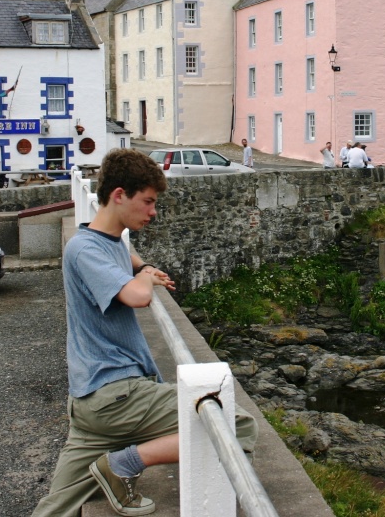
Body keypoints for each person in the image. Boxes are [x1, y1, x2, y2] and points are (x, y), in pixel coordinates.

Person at [31, 149, 257, 517]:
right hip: (117, 396)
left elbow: (128, 259)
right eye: (148, 201)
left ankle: (114, 463)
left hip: (93, 403)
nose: (153, 212)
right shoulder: (83, 248)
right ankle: (124, 463)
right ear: (119, 195)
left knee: (57, 508)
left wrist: (145, 265)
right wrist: (145, 277)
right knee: (236, 424)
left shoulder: (108, 240)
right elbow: (136, 295)